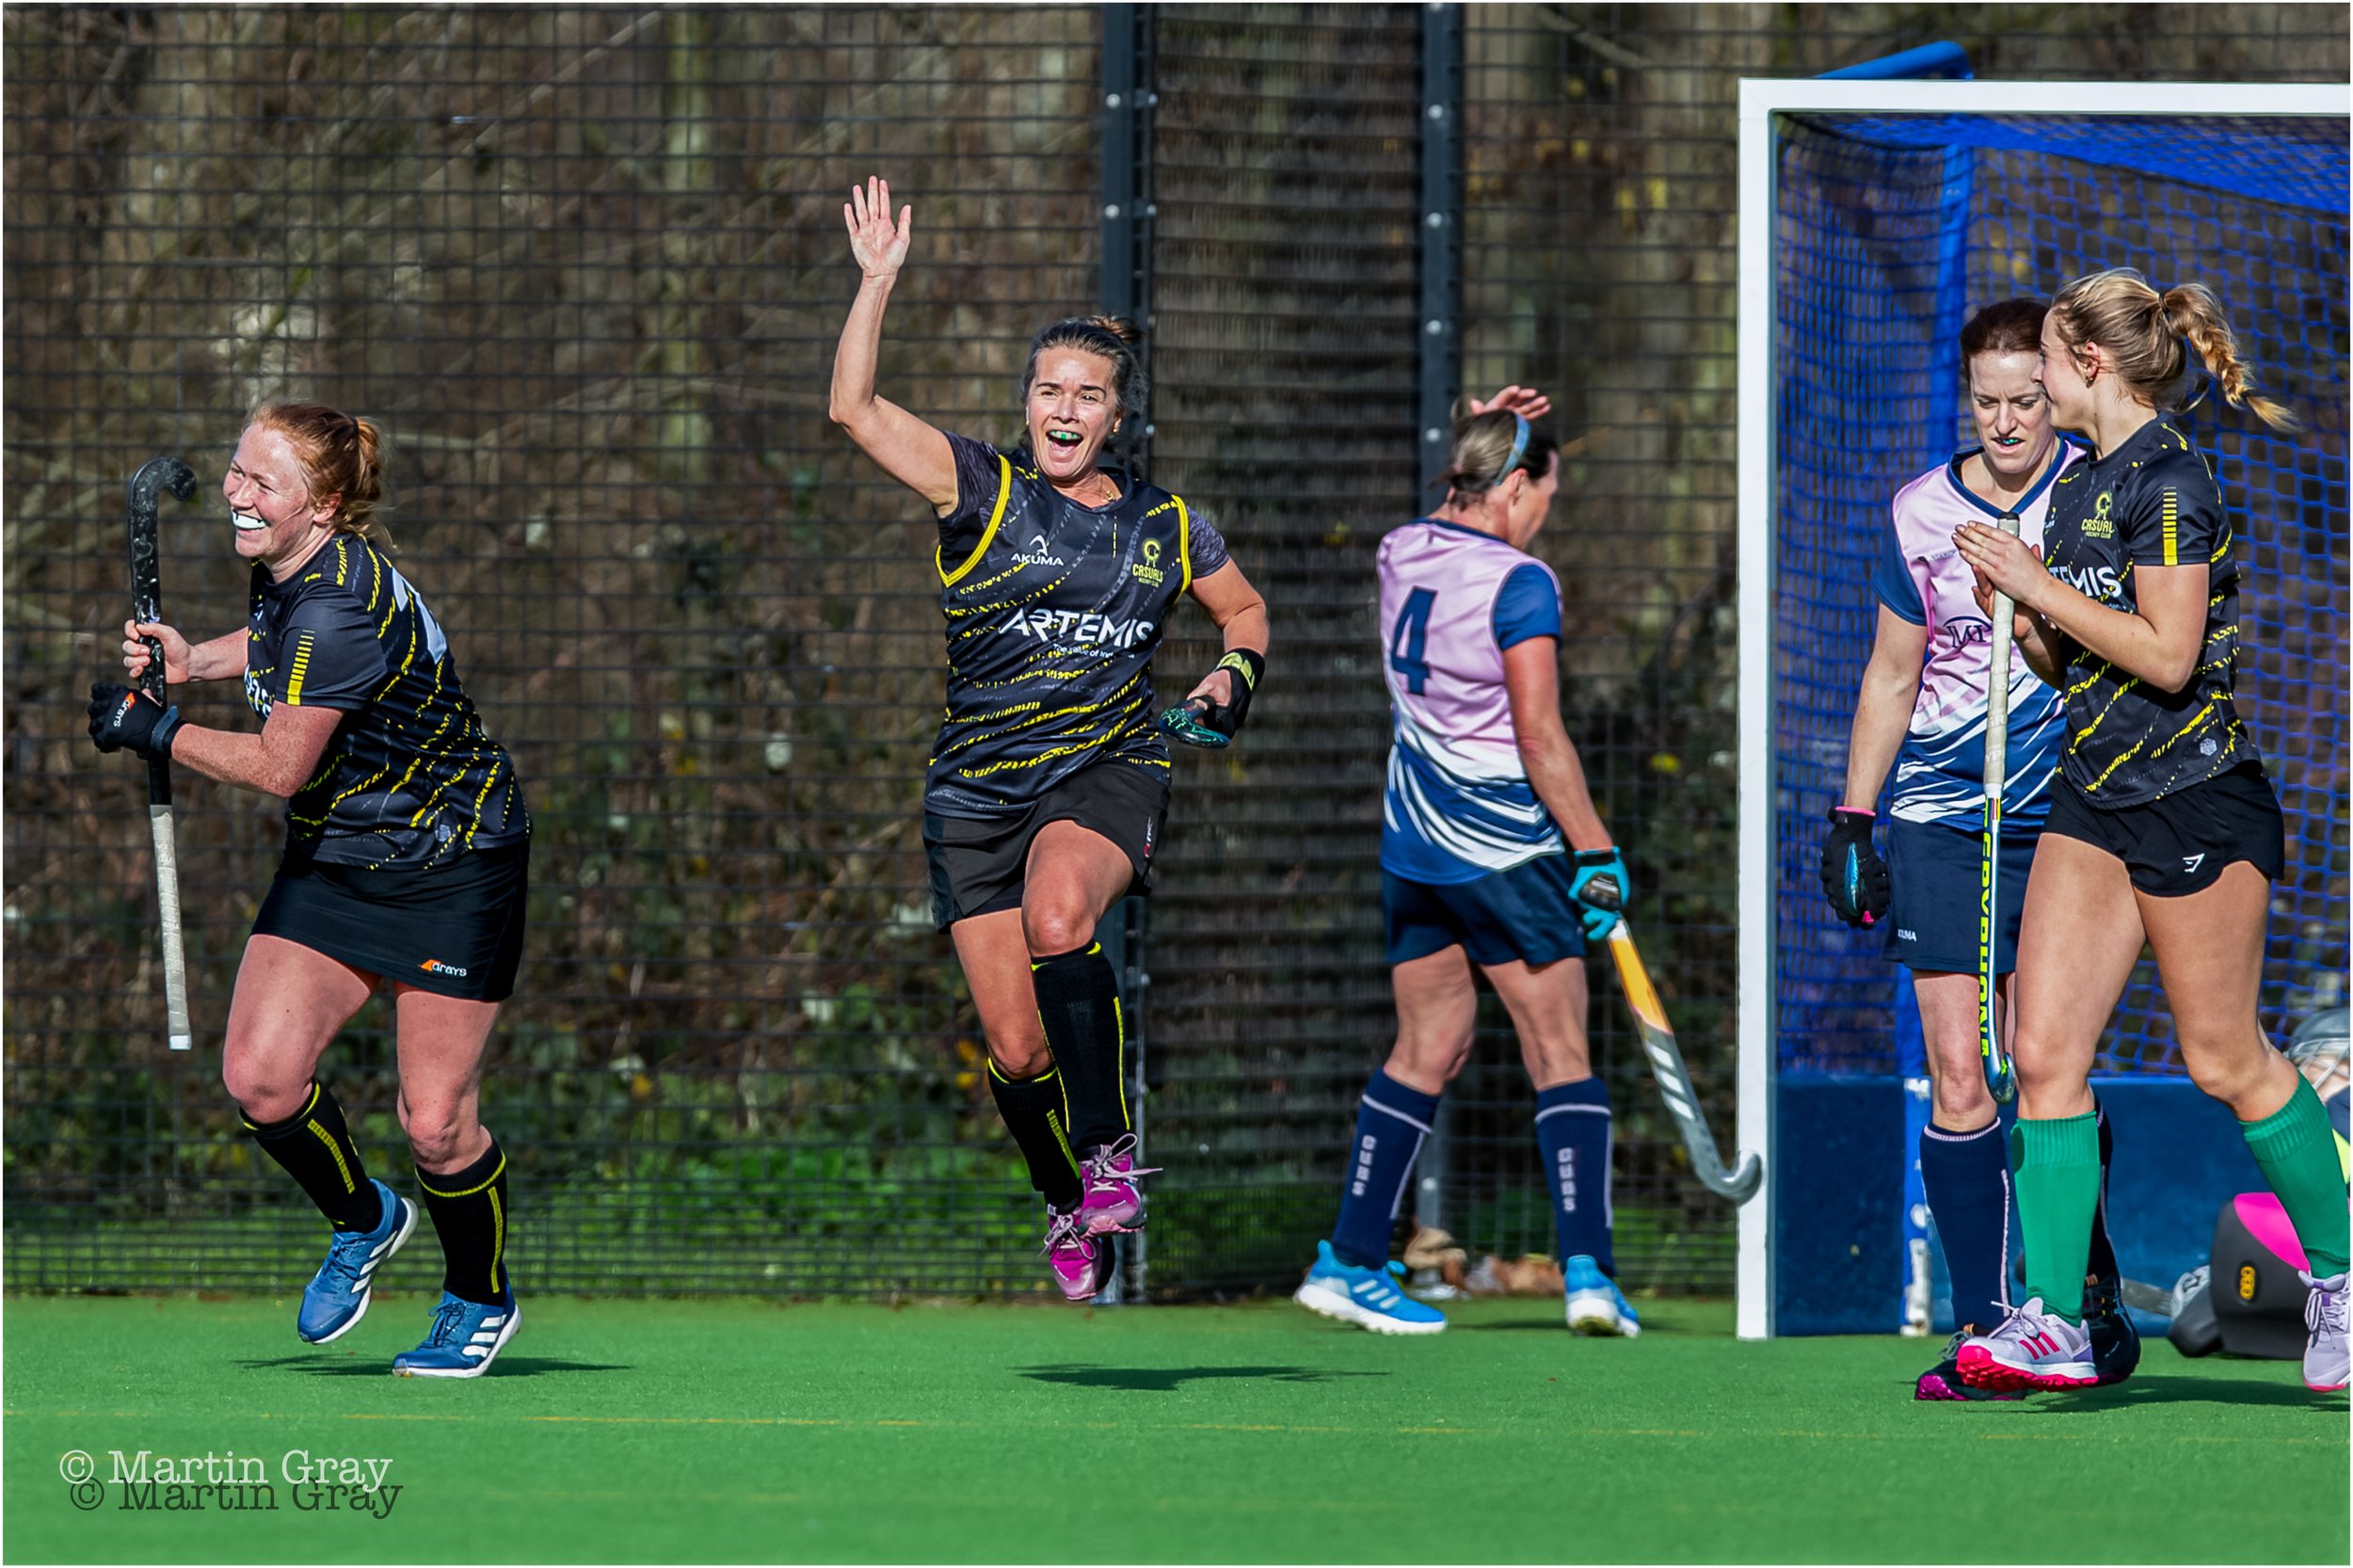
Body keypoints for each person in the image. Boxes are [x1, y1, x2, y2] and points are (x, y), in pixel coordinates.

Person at [829, 177, 1270, 1302]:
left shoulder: (1166, 523)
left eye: (1088, 393)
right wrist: (877, 283)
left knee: (1060, 915)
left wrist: (1228, 679)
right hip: (974, 799)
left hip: (1107, 770)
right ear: (1026, 405)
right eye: (1047, 391)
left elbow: (1247, 612)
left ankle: (1113, 1152)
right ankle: (1064, 1197)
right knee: (1018, 1053)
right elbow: (854, 411)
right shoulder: (978, 490)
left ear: (1116, 415)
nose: (1064, 408)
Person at [1950, 268, 2347, 1395]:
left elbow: (2168, 656)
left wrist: (2038, 582)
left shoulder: (2170, 479)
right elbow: (2069, 656)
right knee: (2042, 1054)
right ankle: (2058, 1319)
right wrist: (2021, 609)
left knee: (2222, 1059)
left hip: (2192, 796)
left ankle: (2342, 1276)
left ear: (2088, 362)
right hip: (2093, 793)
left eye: (2048, 351)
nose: (2028, 375)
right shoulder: (2080, 487)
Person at [88, 402, 531, 1377]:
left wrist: (158, 731)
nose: (238, 494)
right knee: (260, 1078)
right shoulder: (289, 571)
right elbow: (278, 646)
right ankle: (366, 1218)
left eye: (262, 481)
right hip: (339, 855)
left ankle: (478, 1296)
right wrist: (193, 661)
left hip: (451, 863)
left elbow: (284, 765)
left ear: (323, 504)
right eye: (236, 470)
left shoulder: (339, 601)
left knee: (436, 1122)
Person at [1818, 299, 2137, 1400]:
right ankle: (1983, 1327)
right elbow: (1892, 673)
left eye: (2026, 399)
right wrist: (1853, 817)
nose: (2006, 421)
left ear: (2057, 389)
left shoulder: (2094, 492)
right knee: (1959, 1068)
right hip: (1944, 814)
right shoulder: (1917, 510)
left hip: (2070, 809)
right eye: (1986, 401)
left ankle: (2081, 1287)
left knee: (2041, 1059)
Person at [1292, 391, 1641, 1337]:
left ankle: (1349, 1258)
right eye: (1543, 496)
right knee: (1559, 1050)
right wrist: (1596, 848)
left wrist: (1470, 421)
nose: (1542, 518)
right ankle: (1589, 1277)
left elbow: (1445, 501)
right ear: (1515, 485)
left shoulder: (1400, 548)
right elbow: (1540, 734)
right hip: (1503, 851)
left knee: (1427, 1046)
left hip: (1413, 851)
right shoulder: (1522, 583)